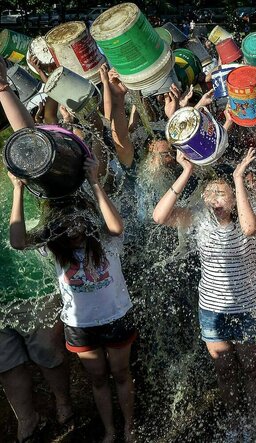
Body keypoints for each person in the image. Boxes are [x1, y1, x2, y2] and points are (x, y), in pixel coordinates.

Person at [9, 153, 136, 443]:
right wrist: (18, 189)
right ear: (57, 227)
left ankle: (128, 426)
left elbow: (117, 226)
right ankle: (109, 430)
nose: (74, 229)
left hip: (116, 316)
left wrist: (94, 184)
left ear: (89, 219)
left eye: (79, 222)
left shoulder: (106, 239)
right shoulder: (54, 249)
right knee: (97, 379)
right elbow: (18, 241)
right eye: (66, 225)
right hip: (81, 326)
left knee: (121, 373)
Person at [152, 148, 256, 436]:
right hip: (213, 310)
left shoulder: (252, 213)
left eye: (221, 193)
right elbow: (159, 216)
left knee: (252, 368)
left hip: (248, 307)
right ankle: (234, 420)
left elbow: (250, 228)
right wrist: (186, 172)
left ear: (235, 194)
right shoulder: (199, 218)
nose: (214, 199)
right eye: (210, 193)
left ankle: (253, 418)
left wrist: (238, 179)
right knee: (225, 370)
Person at [0, 56, 75, 443]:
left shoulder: (9, 143)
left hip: (28, 267)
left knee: (46, 345)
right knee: (5, 359)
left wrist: (1, 86)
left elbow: (30, 141)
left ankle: (63, 402)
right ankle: (26, 420)